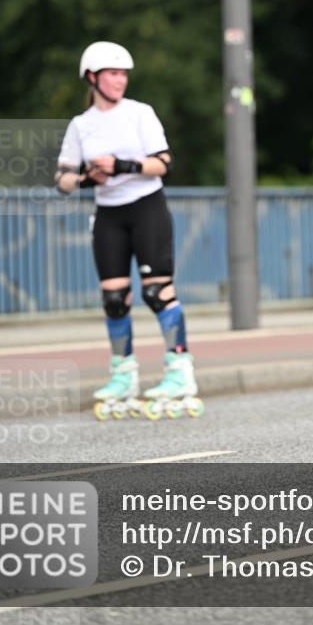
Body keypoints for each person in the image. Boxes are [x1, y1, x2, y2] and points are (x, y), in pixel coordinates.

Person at [55, 41, 202, 420]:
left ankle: (179, 373)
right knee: (115, 299)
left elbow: (163, 163)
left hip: (146, 209)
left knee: (157, 292)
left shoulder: (140, 113)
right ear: (93, 77)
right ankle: (122, 375)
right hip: (108, 215)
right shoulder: (81, 125)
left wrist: (120, 166)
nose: (120, 80)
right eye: (113, 74)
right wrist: (88, 176)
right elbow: (63, 179)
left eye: (123, 74)